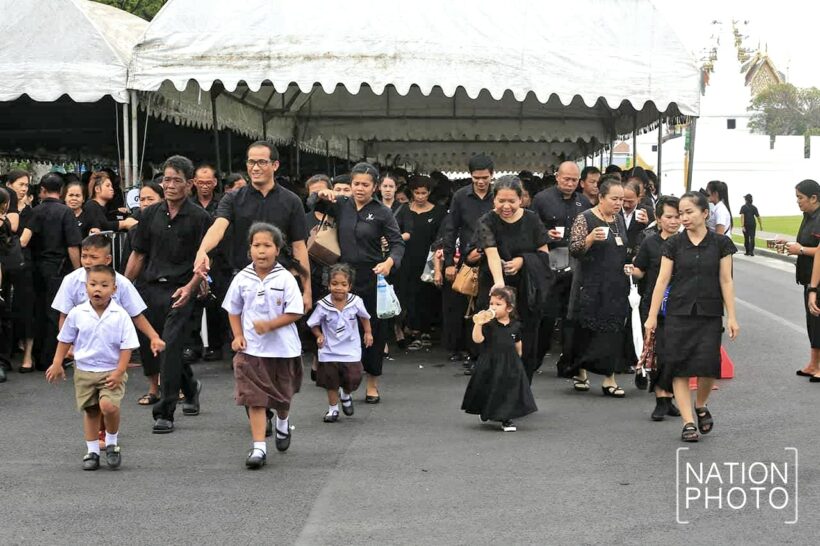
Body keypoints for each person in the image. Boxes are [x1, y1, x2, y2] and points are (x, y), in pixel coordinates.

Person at [124, 155, 212, 434]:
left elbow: (205, 260)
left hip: (182, 290)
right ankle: (190, 385)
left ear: (190, 184)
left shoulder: (201, 218)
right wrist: (124, 287)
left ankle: (165, 411)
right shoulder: (149, 214)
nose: (170, 185)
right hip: (150, 288)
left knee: (172, 345)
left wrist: (193, 287)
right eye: (166, 179)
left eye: (176, 180)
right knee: (159, 346)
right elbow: (139, 253)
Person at [645, 191, 739, 442]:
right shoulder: (673, 244)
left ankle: (701, 405)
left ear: (705, 213)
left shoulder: (721, 244)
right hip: (678, 313)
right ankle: (688, 422)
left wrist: (732, 316)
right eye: (680, 213)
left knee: (709, 367)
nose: (683, 218)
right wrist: (652, 317)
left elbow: (726, 280)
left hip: (709, 313)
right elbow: (662, 280)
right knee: (679, 368)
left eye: (689, 212)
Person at [310, 162, 404, 403]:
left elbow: (397, 243)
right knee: (340, 328)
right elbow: (311, 204)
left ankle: (372, 382)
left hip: (372, 275)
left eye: (365, 184)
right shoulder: (341, 205)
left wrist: (389, 263)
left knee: (373, 328)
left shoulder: (382, 211)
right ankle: (344, 381)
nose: (360, 188)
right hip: (341, 276)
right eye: (356, 184)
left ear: (374, 187)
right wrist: (322, 194)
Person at [194, 142, 312, 313]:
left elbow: (299, 247)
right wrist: (202, 250)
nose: (255, 168)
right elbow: (218, 228)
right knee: (239, 337)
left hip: (280, 281)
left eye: (262, 162)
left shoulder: (292, 201)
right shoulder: (232, 199)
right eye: (251, 162)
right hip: (243, 280)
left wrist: (306, 290)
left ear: (275, 165)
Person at [223, 223, 304, 469]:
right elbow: (233, 309)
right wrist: (237, 336)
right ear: (250, 250)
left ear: (277, 249)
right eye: (256, 245)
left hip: (282, 349)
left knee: (282, 396)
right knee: (254, 398)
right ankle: (259, 447)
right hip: (251, 350)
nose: (261, 251)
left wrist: (270, 325)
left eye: (267, 245)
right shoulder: (241, 278)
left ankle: (282, 422)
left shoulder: (286, 278)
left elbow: (295, 312)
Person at [45, 265, 140, 470]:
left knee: (108, 406)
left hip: (111, 370)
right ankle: (92, 451)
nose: (98, 289)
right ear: (86, 287)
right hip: (85, 370)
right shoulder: (78, 313)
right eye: (93, 284)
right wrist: (57, 362)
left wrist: (119, 371)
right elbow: (65, 339)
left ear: (114, 289)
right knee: (91, 410)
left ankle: (112, 444)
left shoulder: (120, 315)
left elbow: (127, 346)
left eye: (104, 285)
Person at [52, 233, 166, 403]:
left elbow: (136, 314)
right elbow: (64, 316)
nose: (88, 261)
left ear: (107, 259)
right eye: (84, 256)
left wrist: (154, 337)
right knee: (90, 403)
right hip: (85, 346)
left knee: (109, 400)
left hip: (112, 346)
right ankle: (99, 428)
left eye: (93, 257)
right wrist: (68, 346)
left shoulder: (121, 283)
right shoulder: (71, 280)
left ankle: (110, 427)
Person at [474, 175, 551, 382]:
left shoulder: (532, 219)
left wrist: (522, 261)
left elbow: (544, 254)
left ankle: (522, 386)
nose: (506, 206)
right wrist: (499, 285)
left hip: (527, 289)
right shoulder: (486, 221)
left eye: (511, 201)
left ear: (521, 200)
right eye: (501, 201)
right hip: (494, 288)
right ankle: (495, 387)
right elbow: (491, 253)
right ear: (494, 200)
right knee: (494, 337)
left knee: (525, 339)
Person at [568, 177, 629, 397]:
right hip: (591, 284)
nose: (618, 203)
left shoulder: (618, 219)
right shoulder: (584, 218)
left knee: (613, 331)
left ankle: (608, 378)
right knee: (587, 329)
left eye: (621, 199)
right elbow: (574, 249)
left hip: (615, 284)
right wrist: (591, 238)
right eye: (614, 198)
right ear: (601, 197)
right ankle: (581, 371)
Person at [531, 161, 591, 371]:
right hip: (549, 262)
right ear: (557, 176)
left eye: (574, 180)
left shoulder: (584, 203)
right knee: (546, 315)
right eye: (566, 179)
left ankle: (568, 363)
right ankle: (534, 360)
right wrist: (545, 235)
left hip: (575, 264)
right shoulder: (542, 199)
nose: (570, 183)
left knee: (571, 316)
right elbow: (531, 228)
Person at [627, 196, 682, 420]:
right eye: (668, 217)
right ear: (658, 219)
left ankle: (669, 398)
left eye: (678, 216)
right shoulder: (650, 243)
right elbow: (640, 269)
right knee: (659, 354)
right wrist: (633, 271)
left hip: (682, 306)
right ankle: (660, 398)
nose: (674, 221)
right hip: (654, 307)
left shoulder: (687, 242)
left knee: (677, 356)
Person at [20, 173, 83, 370]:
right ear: (62, 191)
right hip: (59, 268)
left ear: (42, 191)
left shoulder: (35, 211)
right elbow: (73, 245)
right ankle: (51, 357)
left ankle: (38, 356)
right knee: (56, 312)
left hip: (37, 268)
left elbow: (24, 240)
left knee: (39, 310)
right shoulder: (66, 213)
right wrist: (78, 270)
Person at [441, 154, 495, 366]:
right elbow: (450, 228)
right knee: (466, 305)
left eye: (484, 177)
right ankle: (468, 350)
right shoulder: (461, 196)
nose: (480, 182)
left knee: (489, 303)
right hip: (468, 258)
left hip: (495, 256)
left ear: (492, 175)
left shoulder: (499, 195)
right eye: (476, 178)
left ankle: (485, 352)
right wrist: (448, 262)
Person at [461, 286, 537, 431]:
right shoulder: (489, 325)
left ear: (509, 308)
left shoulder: (515, 326)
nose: (493, 307)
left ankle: (506, 418)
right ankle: (486, 410)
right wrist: (478, 324)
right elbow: (478, 340)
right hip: (491, 362)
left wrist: (518, 357)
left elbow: (517, 343)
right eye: (491, 304)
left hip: (510, 363)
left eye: (498, 304)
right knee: (490, 387)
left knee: (508, 390)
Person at [307, 264, 372, 422]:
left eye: (343, 284)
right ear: (329, 285)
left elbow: (364, 317)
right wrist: (319, 335)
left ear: (350, 286)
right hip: (329, 350)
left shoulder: (356, 302)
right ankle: (333, 409)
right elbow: (313, 323)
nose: (339, 288)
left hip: (350, 348)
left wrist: (368, 332)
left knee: (353, 377)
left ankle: (346, 394)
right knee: (331, 380)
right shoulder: (323, 305)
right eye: (335, 284)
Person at [186, 163, 229, 363]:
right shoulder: (188, 203)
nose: (204, 186)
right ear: (194, 183)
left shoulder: (222, 204)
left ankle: (215, 346)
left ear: (215, 183)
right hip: (193, 260)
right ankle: (192, 346)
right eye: (200, 182)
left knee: (216, 304)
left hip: (218, 261)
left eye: (208, 182)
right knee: (192, 303)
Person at [399, 175, 446, 350]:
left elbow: (441, 237)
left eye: (424, 193)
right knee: (410, 295)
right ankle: (414, 331)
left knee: (428, 295)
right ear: (412, 192)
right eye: (417, 193)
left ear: (429, 193)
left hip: (429, 260)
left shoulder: (439, 212)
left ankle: (427, 332)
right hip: (406, 259)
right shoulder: (403, 210)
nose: (420, 196)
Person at [785, 181, 820, 381]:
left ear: (813, 198)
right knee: (813, 323)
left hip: (818, 279)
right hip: (808, 277)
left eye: (800, 197)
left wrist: (800, 250)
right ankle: (813, 363)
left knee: (818, 321)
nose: (797, 201)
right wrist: (790, 244)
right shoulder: (808, 217)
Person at [3, 170, 35, 371]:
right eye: (20, 184)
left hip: (25, 264)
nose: (23, 188)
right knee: (4, 307)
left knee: (26, 309)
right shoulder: (4, 209)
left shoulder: (31, 212)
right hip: (4, 264)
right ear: (8, 184)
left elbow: (23, 240)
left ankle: (28, 355)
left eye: (26, 185)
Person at [82, 172, 137, 237]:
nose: (111, 189)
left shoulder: (104, 208)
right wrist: (124, 223)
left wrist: (118, 212)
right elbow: (103, 225)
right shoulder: (90, 205)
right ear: (97, 189)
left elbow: (109, 220)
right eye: (107, 186)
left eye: (111, 186)